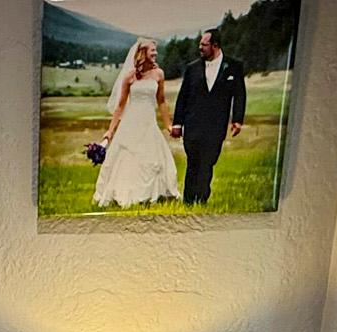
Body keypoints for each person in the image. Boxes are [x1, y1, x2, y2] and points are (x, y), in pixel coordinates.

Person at [93, 37, 181, 209]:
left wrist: (168, 125)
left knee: (152, 157)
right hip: (132, 122)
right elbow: (120, 106)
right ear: (142, 53)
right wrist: (110, 132)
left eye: (155, 50)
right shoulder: (130, 77)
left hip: (149, 122)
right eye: (152, 50)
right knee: (128, 158)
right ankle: (127, 193)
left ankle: (152, 195)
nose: (156, 53)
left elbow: (161, 101)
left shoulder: (159, 74)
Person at [170, 30, 247, 206]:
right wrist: (177, 123)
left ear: (215, 46)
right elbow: (183, 96)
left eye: (204, 44)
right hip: (193, 124)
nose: (200, 47)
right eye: (200, 44)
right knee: (193, 162)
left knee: (208, 162)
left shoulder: (233, 66)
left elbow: (239, 94)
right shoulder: (192, 68)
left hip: (216, 125)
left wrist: (237, 120)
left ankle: (201, 198)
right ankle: (189, 201)